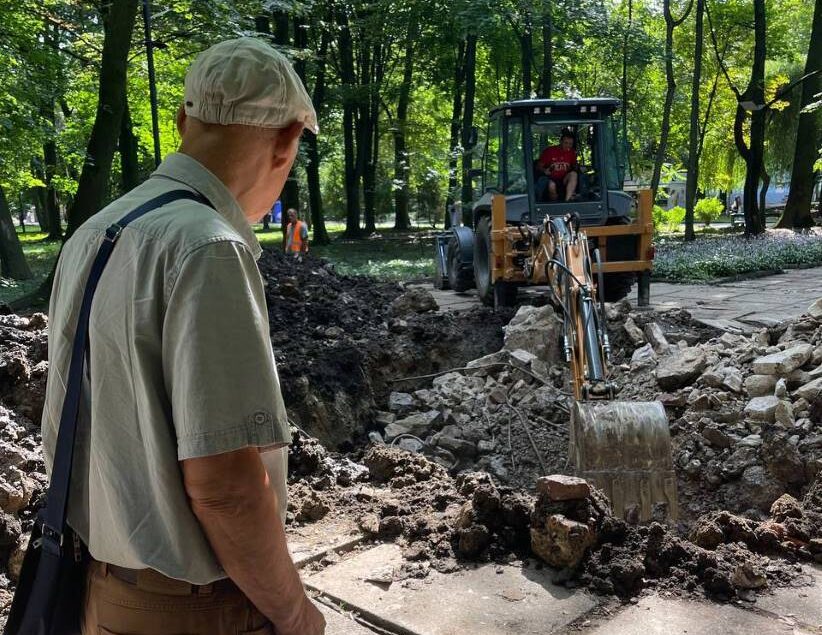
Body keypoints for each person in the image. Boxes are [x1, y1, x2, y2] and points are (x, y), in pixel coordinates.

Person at [41, 38, 325, 635]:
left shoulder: (97, 233)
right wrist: (295, 615)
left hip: (99, 590)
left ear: (182, 121)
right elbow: (224, 487)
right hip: (193, 610)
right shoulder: (208, 247)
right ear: (286, 142)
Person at [536, 130, 579, 202]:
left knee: (574, 174)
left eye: (570, 144)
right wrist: (544, 170)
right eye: (566, 143)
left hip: (564, 180)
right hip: (551, 179)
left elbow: (574, 165)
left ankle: (567, 202)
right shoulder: (549, 151)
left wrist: (577, 167)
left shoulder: (571, 152)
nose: (568, 146)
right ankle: (555, 206)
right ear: (561, 142)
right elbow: (538, 166)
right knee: (551, 185)